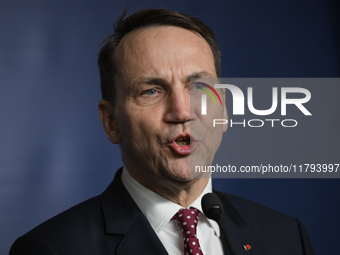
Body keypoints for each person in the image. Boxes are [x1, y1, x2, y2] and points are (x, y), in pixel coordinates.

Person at [10, 8, 316, 255]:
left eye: (198, 86)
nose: (182, 112)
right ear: (111, 122)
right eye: (151, 91)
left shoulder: (288, 236)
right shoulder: (50, 249)